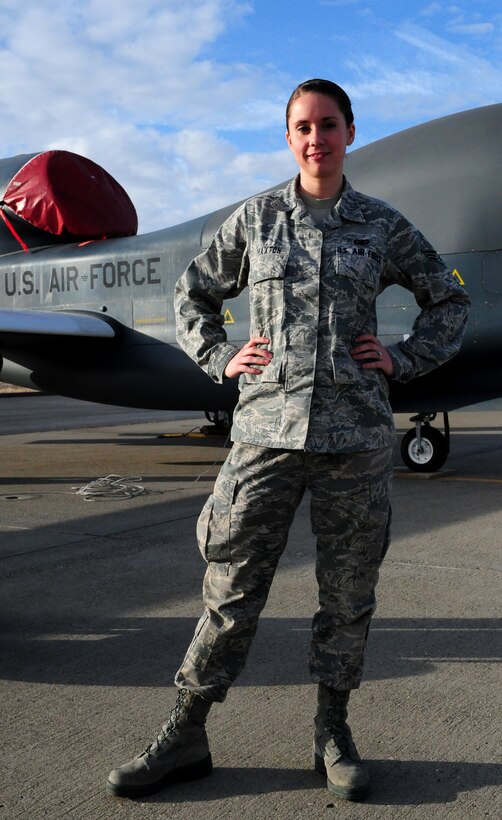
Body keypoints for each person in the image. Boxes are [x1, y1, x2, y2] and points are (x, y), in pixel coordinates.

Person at [107, 79, 470, 802]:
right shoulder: (258, 218)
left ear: (349, 132)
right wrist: (218, 357)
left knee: (347, 594)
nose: (316, 138)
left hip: (354, 437)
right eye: (302, 127)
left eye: (328, 125)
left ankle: (331, 732)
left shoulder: (381, 224)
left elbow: (448, 297)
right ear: (288, 137)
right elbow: (195, 294)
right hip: (265, 436)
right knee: (231, 588)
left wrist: (402, 357)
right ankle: (187, 729)